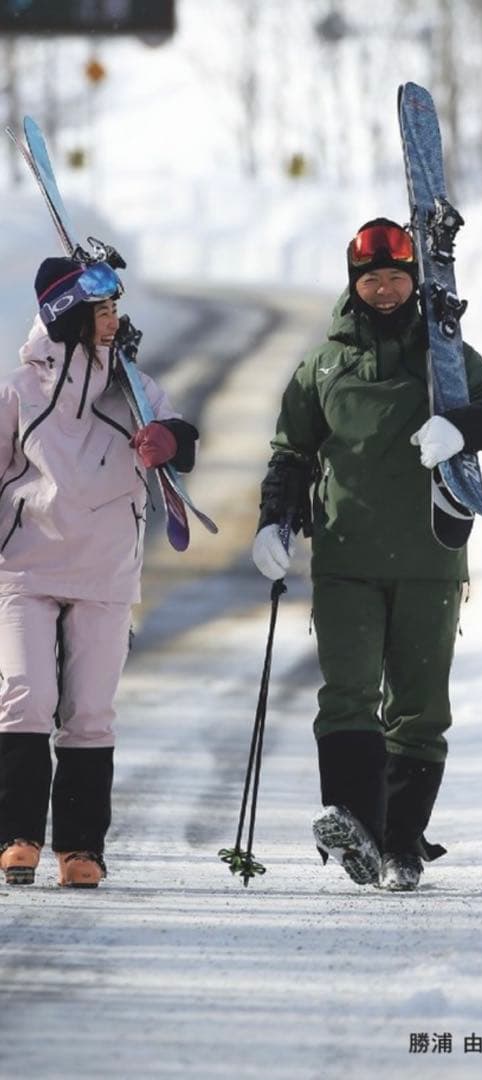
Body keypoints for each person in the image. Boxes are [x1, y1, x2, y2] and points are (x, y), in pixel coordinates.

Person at [252, 218, 482, 891]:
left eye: (397, 277)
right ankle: (356, 824)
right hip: (345, 556)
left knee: (419, 708)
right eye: (372, 279)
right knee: (347, 695)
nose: (385, 289)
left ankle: (401, 843)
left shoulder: (445, 356)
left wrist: (457, 425)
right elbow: (291, 451)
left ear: (414, 281)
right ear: (355, 284)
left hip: (431, 555)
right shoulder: (322, 365)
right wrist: (275, 521)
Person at [0, 256, 198, 888]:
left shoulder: (134, 388)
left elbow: (180, 435)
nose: (113, 322)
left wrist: (169, 442)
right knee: (26, 697)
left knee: (90, 711)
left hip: (107, 569)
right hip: (24, 568)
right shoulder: (19, 391)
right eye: (101, 312)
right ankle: (17, 836)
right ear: (69, 318)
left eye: (115, 309)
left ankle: (81, 848)